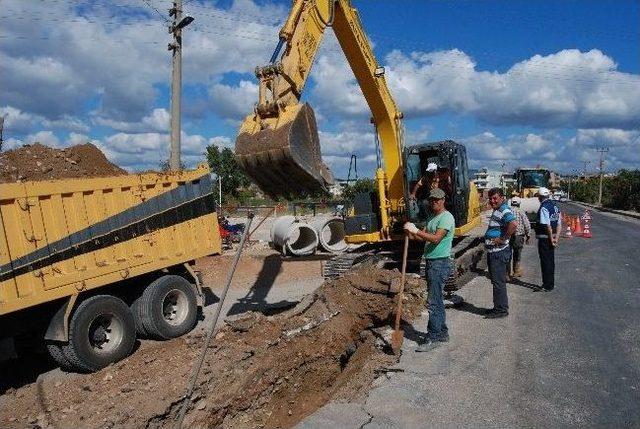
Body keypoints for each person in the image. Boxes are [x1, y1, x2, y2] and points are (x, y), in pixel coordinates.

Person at [404, 188, 455, 351]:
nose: (434, 202)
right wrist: (409, 230)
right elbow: (420, 238)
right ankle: (442, 332)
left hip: (440, 263)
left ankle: (433, 336)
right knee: (437, 300)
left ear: (443, 200)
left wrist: (416, 230)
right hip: (432, 262)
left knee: (433, 302)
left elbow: (436, 239)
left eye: (437, 199)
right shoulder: (433, 217)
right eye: (432, 199)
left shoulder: (447, 217)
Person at [484, 188, 517, 318]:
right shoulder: (497, 210)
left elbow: (513, 224)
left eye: (495, 198)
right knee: (496, 281)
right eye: (490, 198)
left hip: (499, 252)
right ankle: (498, 307)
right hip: (494, 252)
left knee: (498, 282)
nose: (492, 201)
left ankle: (501, 310)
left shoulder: (504, 210)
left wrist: (503, 238)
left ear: (502, 198)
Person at [535, 187, 561, 291]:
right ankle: (551, 283)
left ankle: (547, 285)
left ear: (540, 197)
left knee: (545, 262)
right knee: (551, 261)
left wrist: (551, 239)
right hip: (552, 238)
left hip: (545, 239)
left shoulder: (544, 208)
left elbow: (548, 226)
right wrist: (555, 239)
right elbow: (559, 225)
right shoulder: (555, 207)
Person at [509, 197, 531, 278]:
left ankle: (507, 273)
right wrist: (528, 235)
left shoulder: (507, 211)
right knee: (517, 254)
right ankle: (516, 271)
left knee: (508, 254)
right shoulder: (521, 212)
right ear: (519, 204)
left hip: (508, 236)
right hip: (518, 236)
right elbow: (527, 225)